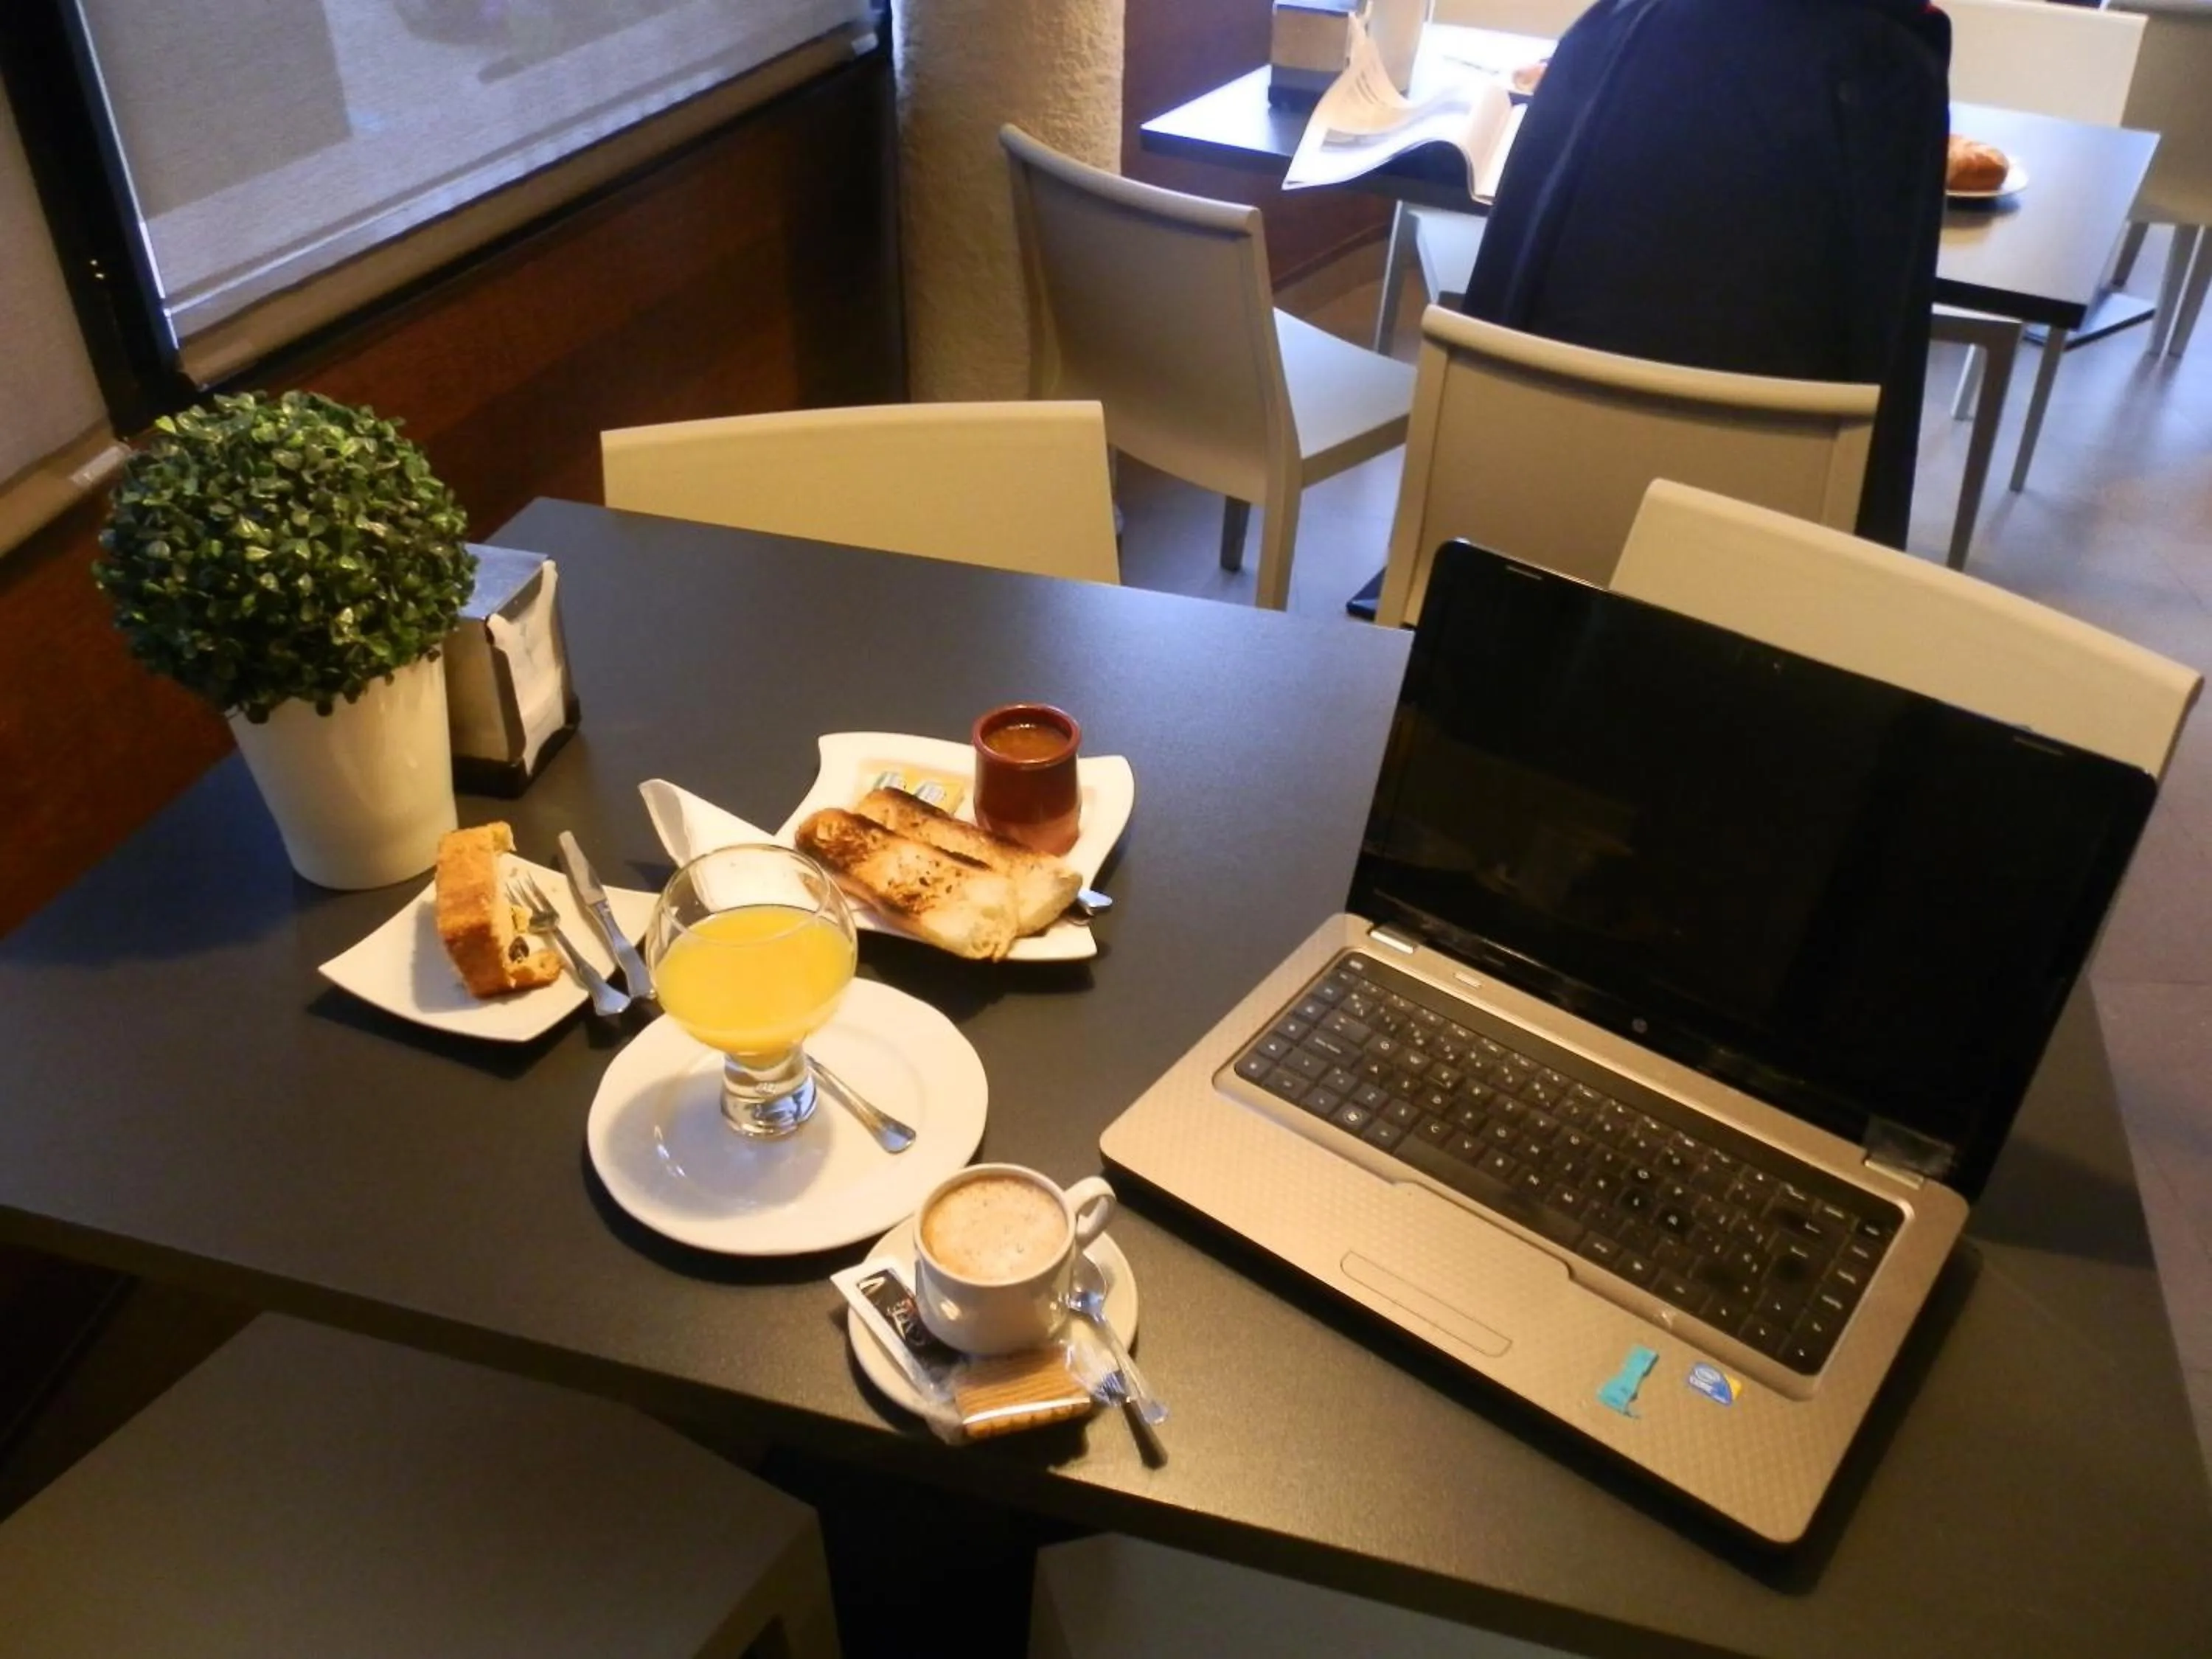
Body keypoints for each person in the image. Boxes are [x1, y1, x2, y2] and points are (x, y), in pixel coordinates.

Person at [1458, 0, 1952, 550]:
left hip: (1514, 542)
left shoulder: (1608, 32)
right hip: (1752, 568)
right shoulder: (1887, 65)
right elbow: (1880, 368)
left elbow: (1501, 303)